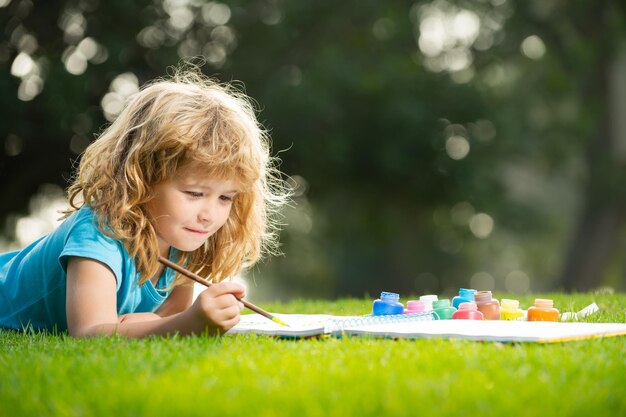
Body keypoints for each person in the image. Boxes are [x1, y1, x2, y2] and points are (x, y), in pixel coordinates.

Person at [0, 66, 289, 337]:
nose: (209, 215)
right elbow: (90, 333)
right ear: (141, 176)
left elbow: (165, 317)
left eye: (225, 197)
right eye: (194, 194)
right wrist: (190, 322)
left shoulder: (181, 237)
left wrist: (151, 322)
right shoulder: (99, 230)